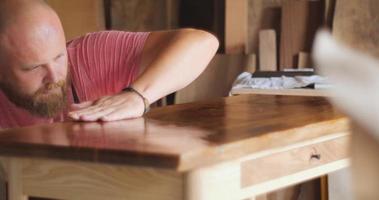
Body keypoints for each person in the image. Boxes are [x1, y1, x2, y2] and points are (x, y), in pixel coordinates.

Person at [0, 0, 219, 129]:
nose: (54, 76)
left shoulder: (87, 57)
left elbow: (202, 42)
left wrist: (137, 96)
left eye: (58, 57)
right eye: (33, 68)